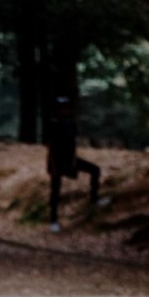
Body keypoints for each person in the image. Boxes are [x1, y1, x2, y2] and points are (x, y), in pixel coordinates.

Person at [45, 93, 102, 233]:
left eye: (66, 107)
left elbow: (74, 143)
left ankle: (94, 199)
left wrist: (73, 160)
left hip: (71, 160)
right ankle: (53, 220)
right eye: (62, 107)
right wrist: (53, 166)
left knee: (95, 170)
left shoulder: (71, 123)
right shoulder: (53, 124)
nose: (65, 110)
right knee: (55, 191)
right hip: (56, 162)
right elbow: (50, 147)